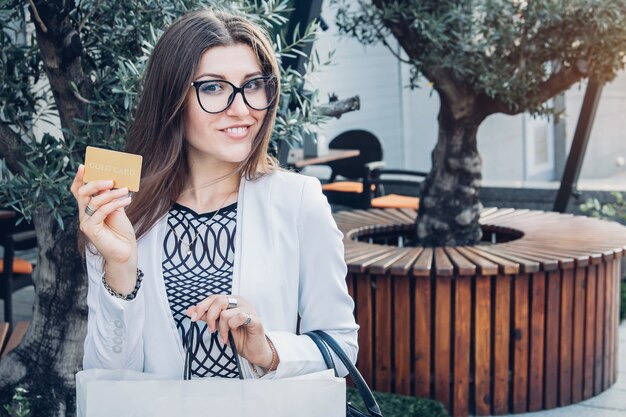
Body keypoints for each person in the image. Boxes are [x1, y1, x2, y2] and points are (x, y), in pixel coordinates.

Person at [70, 9, 358, 380]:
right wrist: (121, 269)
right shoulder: (125, 214)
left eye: (253, 84)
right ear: (171, 99)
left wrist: (269, 350)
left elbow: (340, 346)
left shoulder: (298, 200)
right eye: (212, 87)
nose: (241, 109)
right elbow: (107, 375)